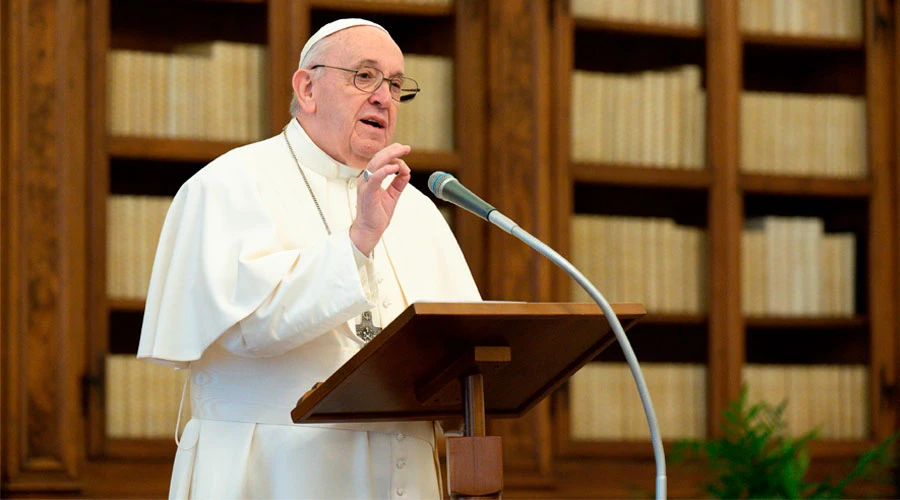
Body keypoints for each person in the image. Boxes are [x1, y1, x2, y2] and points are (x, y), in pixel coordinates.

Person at [137, 18, 481, 499]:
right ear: (308, 87)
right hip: (274, 474)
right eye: (364, 76)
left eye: (396, 84)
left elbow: (462, 353)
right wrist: (358, 240)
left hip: (405, 477)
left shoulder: (417, 210)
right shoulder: (228, 185)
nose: (384, 96)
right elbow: (251, 328)